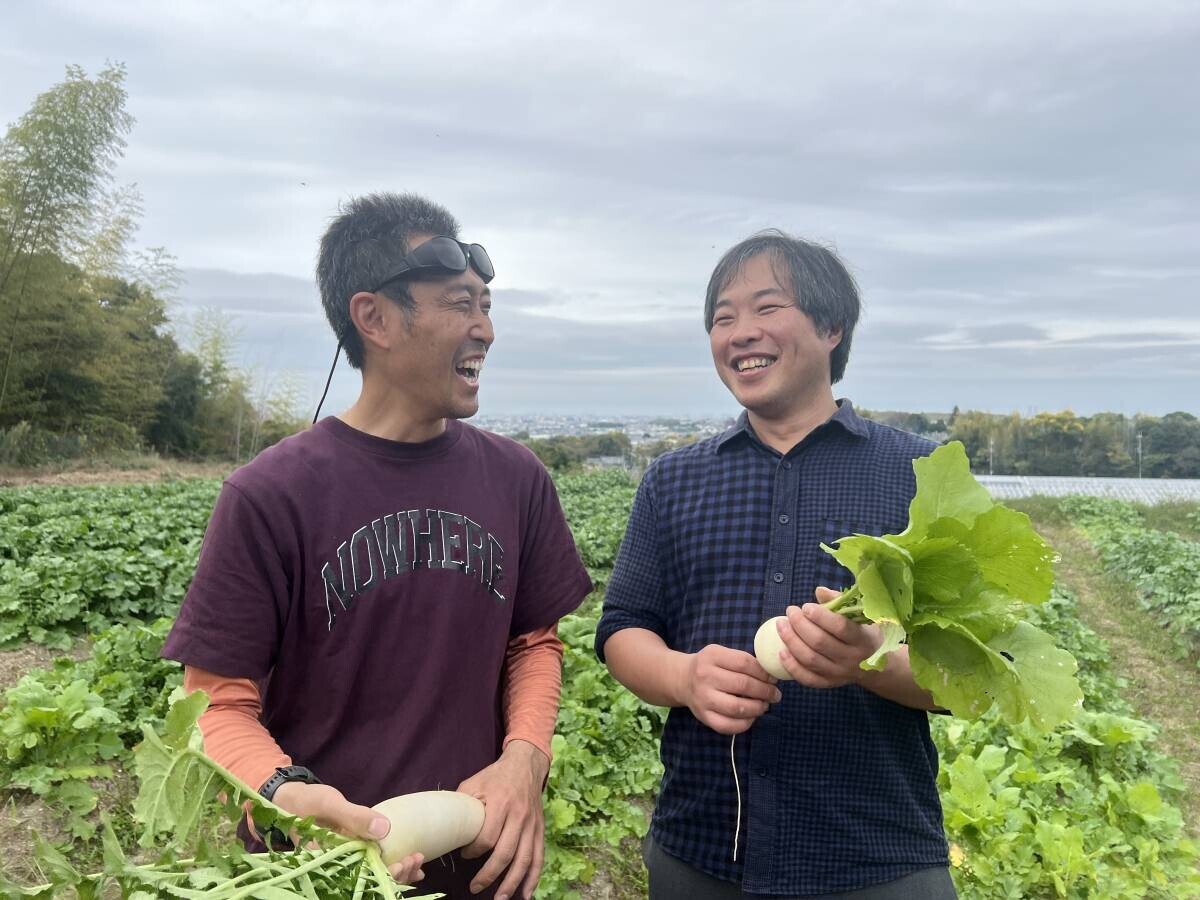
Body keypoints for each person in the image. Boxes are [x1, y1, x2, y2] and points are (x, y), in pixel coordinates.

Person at [161, 192, 592, 900]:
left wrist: (525, 760)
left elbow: (534, 644)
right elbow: (219, 706)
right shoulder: (271, 494)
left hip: (480, 862)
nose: (485, 328)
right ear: (376, 318)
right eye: (461, 303)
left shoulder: (515, 478)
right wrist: (285, 793)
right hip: (319, 873)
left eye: (487, 305)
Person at [595, 230, 955, 899]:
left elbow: (971, 675)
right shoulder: (674, 481)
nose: (739, 333)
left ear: (830, 327)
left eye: (765, 308)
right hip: (700, 855)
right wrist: (685, 676)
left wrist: (870, 662)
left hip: (877, 860)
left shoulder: (917, 474)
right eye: (722, 318)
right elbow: (622, 628)